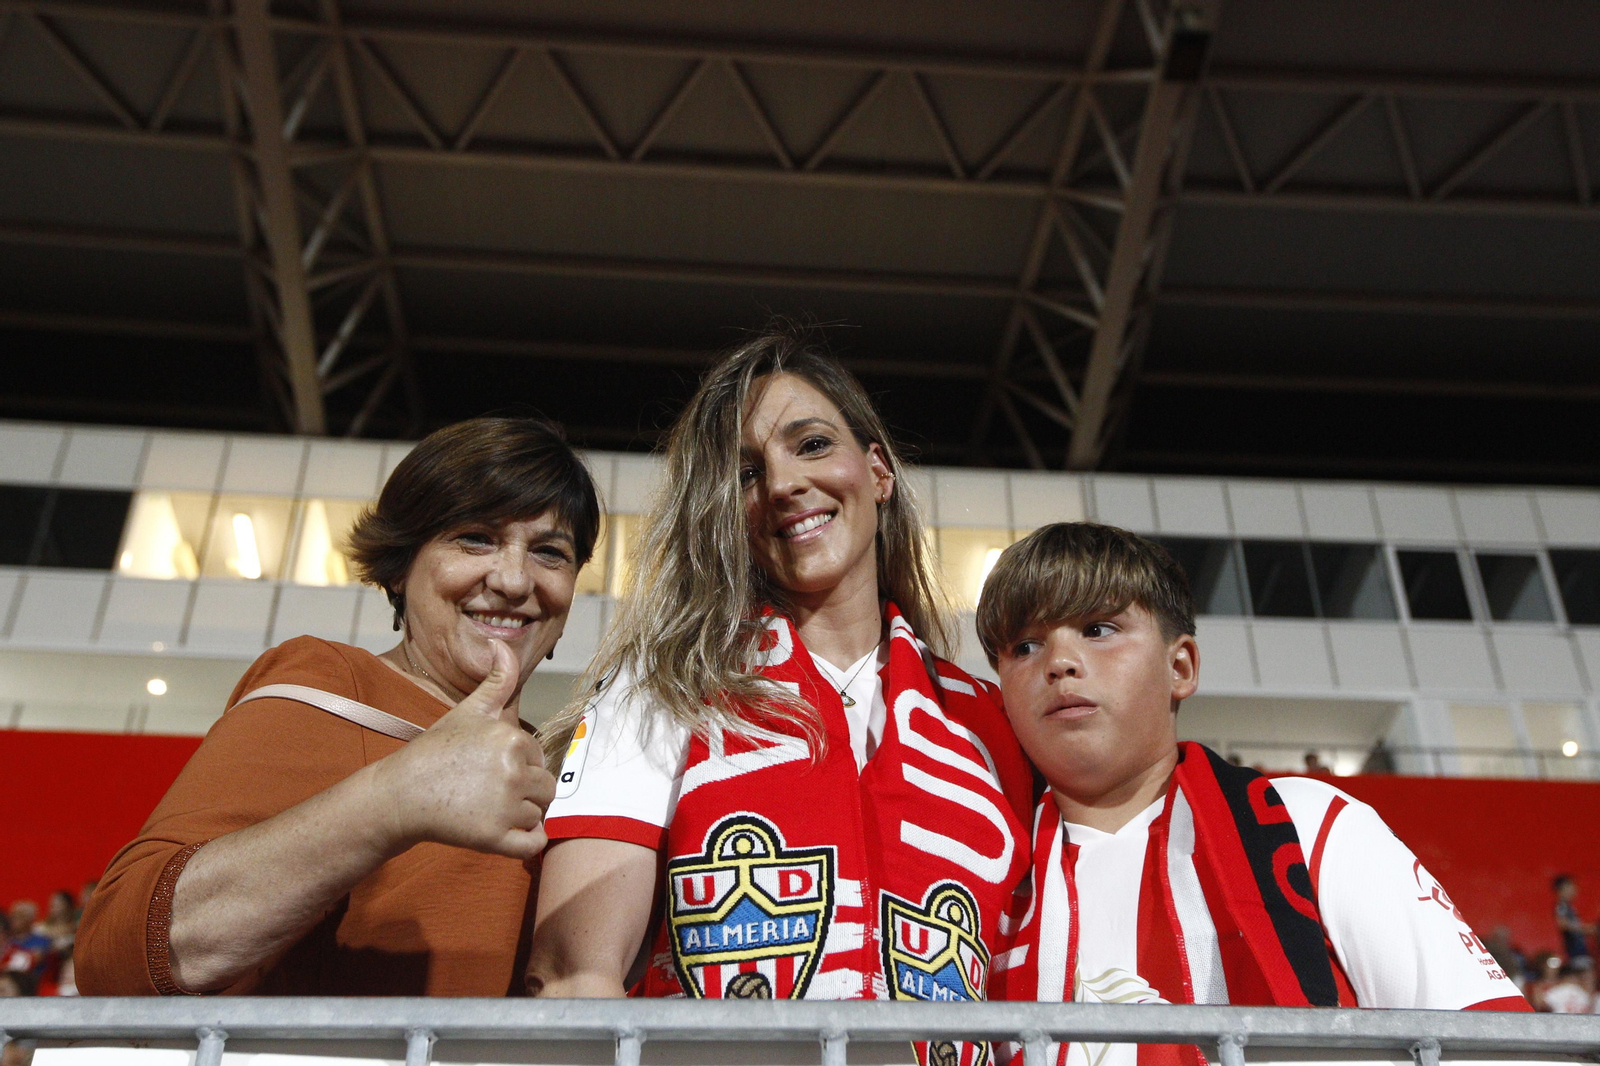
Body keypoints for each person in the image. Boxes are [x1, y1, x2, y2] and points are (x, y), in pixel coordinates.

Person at [528, 330, 1032, 1029]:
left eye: (814, 444)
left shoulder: (987, 719)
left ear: (879, 471)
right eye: (745, 472)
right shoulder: (663, 689)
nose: (785, 483)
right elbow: (572, 978)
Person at [77, 416, 600, 996]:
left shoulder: (569, 766)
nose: (512, 579)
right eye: (475, 538)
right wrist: (395, 797)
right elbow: (118, 956)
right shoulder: (334, 685)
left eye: (550, 553)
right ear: (401, 566)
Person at [977, 524, 1527, 1066]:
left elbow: (1503, 1052)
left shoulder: (1312, 823)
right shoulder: (978, 874)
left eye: (1098, 629)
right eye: (1024, 646)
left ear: (1180, 666)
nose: (1059, 663)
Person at [1553, 875, 1594, 971]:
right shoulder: (1561, 906)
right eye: (1571, 887)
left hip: (1580, 949)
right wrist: (1586, 929)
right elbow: (1562, 923)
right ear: (1562, 889)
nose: (1575, 890)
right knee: (1586, 975)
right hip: (1575, 950)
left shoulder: (1570, 907)